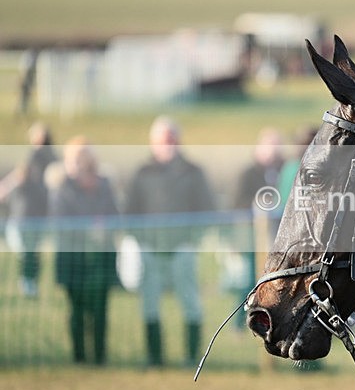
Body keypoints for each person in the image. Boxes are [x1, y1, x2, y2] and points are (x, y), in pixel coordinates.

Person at [126, 116, 216, 367]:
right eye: (161, 140)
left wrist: (192, 239)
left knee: (190, 302)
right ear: (152, 143)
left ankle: (191, 356)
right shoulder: (142, 173)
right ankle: (154, 357)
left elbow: (207, 210)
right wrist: (141, 242)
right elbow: (130, 213)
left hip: (183, 249)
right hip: (151, 250)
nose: (166, 144)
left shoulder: (192, 172)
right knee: (150, 304)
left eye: (170, 139)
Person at [52, 137, 118, 365]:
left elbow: (114, 216)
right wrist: (89, 230)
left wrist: (104, 229)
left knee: (100, 309)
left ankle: (100, 356)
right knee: (77, 309)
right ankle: (79, 357)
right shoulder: (63, 188)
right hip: (73, 259)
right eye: (76, 159)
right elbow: (61, 223)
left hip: (101, 258)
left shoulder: (104, 185)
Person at [231, 127, 284, 328]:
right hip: (250, 238)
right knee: (246, 281)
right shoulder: (247, 173)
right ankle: (239, 324)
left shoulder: (284, 171)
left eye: (277, 146)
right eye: (270, 145)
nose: (274, 150)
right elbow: (237, 203)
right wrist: (260, 204)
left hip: (276, 239)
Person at [0, 122, 58, 298]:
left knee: (28, 250)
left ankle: (28, 283)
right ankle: (29, 283)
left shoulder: (37, 155)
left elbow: (22, 174)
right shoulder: (53, 156)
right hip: (39, 211)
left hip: (29, 212)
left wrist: (5, 187)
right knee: (31, 250)